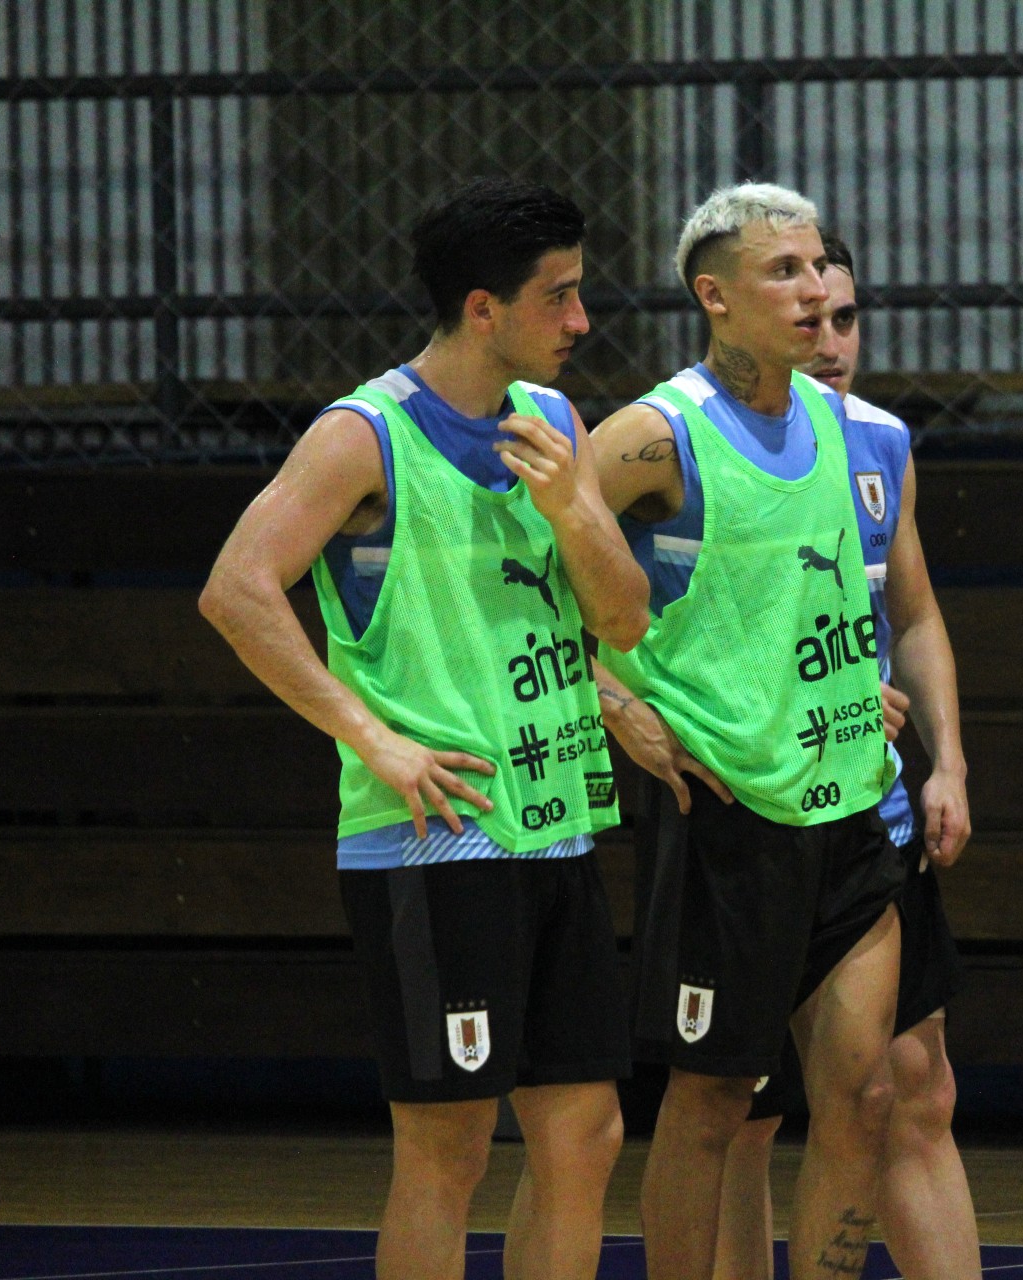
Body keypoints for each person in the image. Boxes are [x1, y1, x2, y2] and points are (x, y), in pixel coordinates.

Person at [199, 176, 645, 1280]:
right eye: (559, 297)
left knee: (585, 1133)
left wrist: (574, 511)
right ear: (483, 308)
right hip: (436, 836)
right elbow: (238, 588)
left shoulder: (553, 423)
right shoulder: (365, 435)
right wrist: (373, 738)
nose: (581, 321)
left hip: (556, 819)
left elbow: (625, 615)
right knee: (449, 1144)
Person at [588, 183, 906, 1280]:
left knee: (868, 1089)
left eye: (820, 268)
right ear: (714, 296)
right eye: (786, 272)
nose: (816, 291)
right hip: (730, 814)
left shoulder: (837, 422)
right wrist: (607, 694)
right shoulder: (655, 433)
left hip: (852, 800)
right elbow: (524, 565)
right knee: (714, 1097)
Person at [708, 230, 981, 1280]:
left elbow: (912, 611)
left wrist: (946, 762)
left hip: (873, 814)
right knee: (742, 1108)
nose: (830, 337)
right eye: (810, 313)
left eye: (846, 317)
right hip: (755, 811)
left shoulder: (881, 441)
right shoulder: (689, 434)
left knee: (916, 1085)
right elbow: (656, 614)